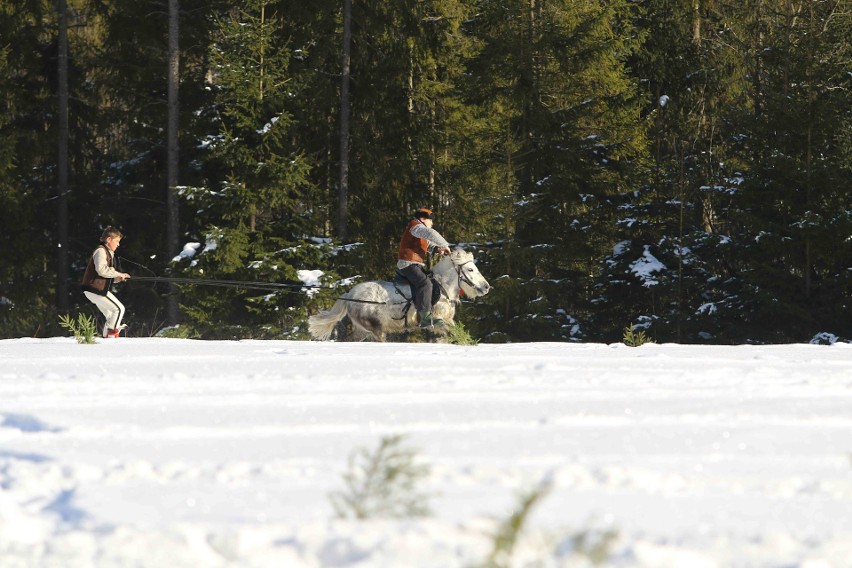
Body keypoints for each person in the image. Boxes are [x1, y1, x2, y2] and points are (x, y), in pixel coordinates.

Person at [397, 208, 451, 328]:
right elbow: (430, 233)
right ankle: (425, 319)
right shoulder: (415, 226)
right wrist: (445, 245)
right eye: (430, 221)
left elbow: (426, 244)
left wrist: (437, 249)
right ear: (422, 219)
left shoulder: (418, 230)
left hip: (414, 264)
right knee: (425, 284)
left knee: (432, 282)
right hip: (408, 264)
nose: (432, 224)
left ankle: (425, 311)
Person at [80, 226, 131, 338]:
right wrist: (119, 274)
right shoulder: (101, 251)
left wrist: (118, 278)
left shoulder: (107, 253)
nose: (118, 244)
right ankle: (112, 335)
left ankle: (107, 338)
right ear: (108, 240)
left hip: (94, 289)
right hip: (94, 289)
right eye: (117, 241)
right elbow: (102, 270)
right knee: (118, 309)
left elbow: (106, 275)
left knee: (111, 315)